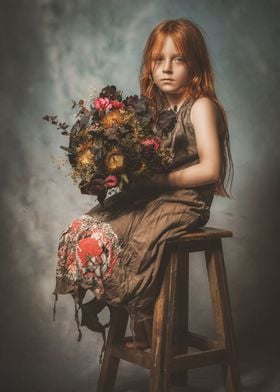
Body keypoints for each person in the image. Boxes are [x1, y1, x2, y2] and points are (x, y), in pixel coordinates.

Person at [53, 17, 234, 363]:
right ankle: (133, 307)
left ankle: (143, 313)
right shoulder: (149, 110)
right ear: (149, 64)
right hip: (150, 195)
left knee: (137, 240)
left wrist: (159, 182)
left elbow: (211, 169)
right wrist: (110, 165)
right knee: (87, 229)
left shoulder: (201, 107)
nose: (166, 68)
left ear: (195, 64)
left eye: (177, 59)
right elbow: (143, 163)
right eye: (158, 60)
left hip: (185, 201)